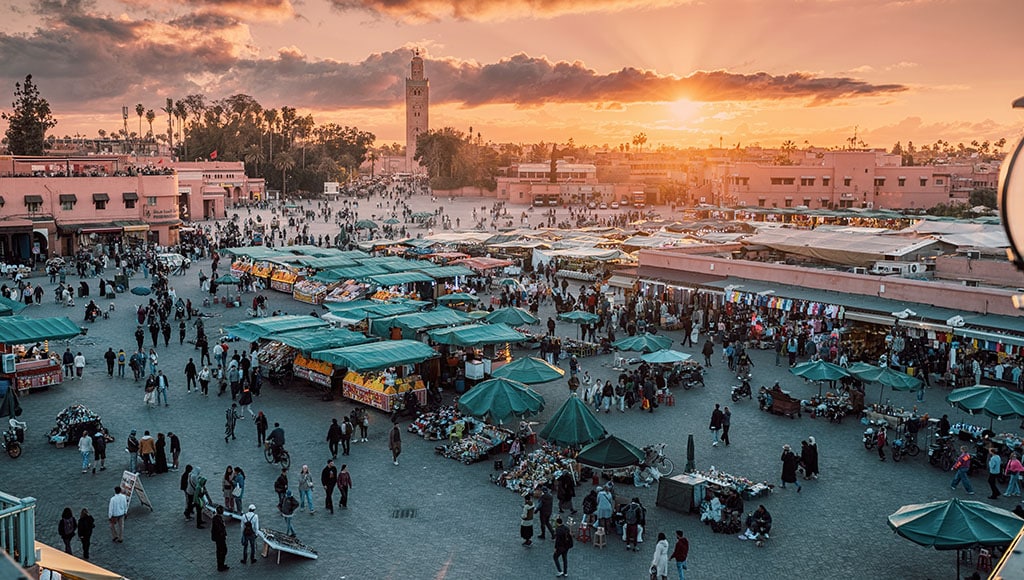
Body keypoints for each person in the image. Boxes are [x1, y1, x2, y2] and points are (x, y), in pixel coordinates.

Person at [212, 505, 230, 571]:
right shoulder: (218, 519)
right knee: (222, 550)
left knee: (220, 551)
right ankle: (220, 565)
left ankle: (221, 564)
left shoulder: (216, 518)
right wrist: (224, 535)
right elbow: (220, 529)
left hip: (218, 537)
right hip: (220, 538)